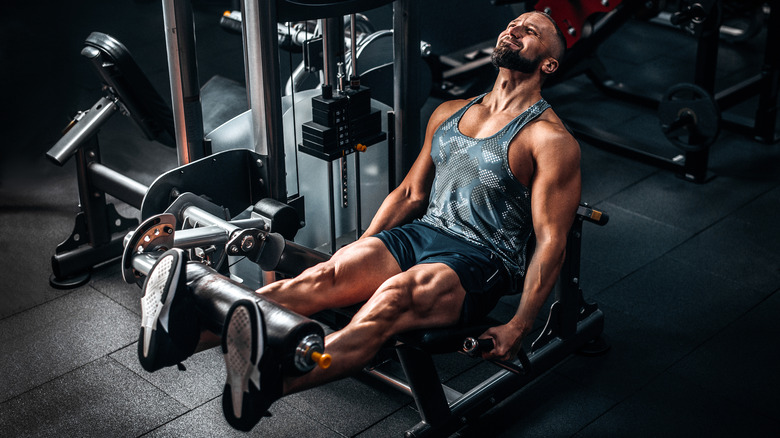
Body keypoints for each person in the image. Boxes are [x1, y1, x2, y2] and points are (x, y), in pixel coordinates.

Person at [136, 10, 579, 431]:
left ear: (549, 62)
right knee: (323, 277)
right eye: (513, 24)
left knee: (391, 298)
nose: (515, 29)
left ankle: (272, 384)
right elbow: (410, 193)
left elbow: (551, 239)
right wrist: (361, 245)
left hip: (480, 260)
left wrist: (520, 324)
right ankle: (181, 339)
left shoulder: (549, 140)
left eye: (530, 32)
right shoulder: (452, 112)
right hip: (421, 234)